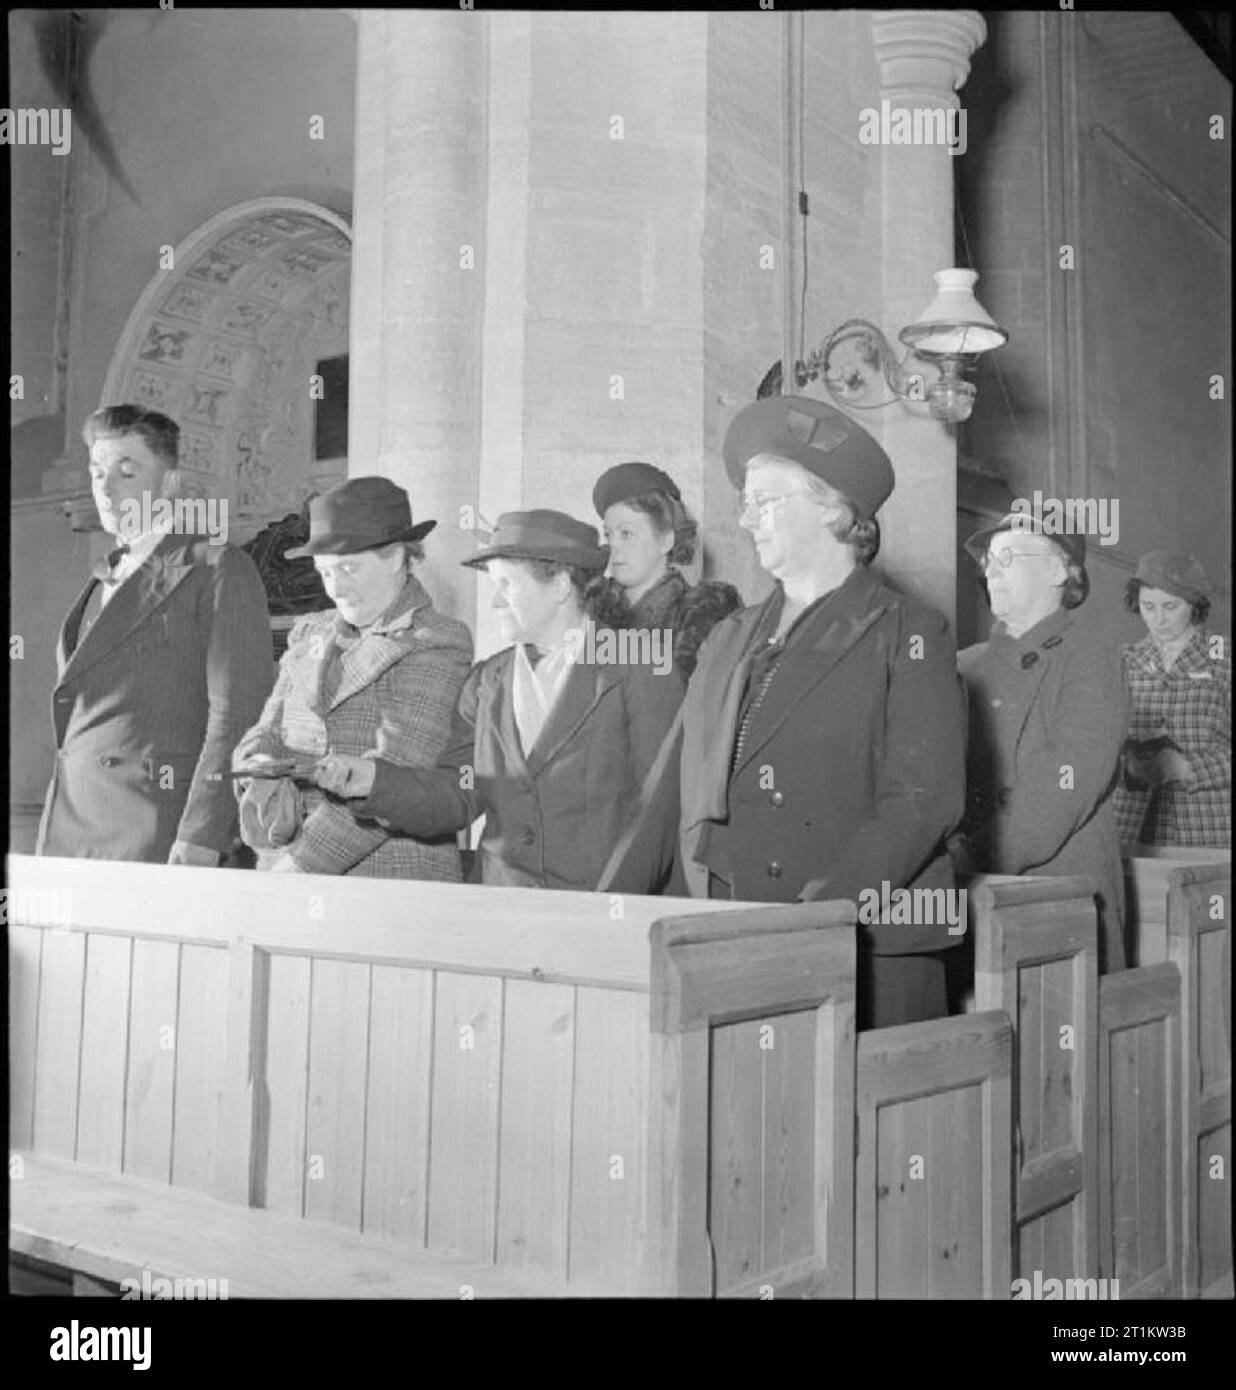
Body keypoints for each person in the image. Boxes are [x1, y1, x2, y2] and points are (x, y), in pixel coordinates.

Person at [600, 396, 968, 1030]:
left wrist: (816, 920)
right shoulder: (730, 636)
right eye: (746, 502)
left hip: (861, 948)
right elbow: (667, 795)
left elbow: (922, 800)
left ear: (832, 507)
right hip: (733, 934)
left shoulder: (907, 630)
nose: (746, 520)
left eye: (765, 501)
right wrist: (604, 916)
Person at [312, 510, 685, 891]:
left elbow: (658, 808)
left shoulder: (640, 660)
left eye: (507, 585)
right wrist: (374, 782)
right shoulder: (488, 681)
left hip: (602, 910)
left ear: (559, 585)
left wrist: (613, 910)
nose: (495, 603)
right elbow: (462, 786)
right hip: (503, 912)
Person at [37, 404, 274, 864]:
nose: (105, 488)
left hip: (156, 831)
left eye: (127, 472)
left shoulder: (215, 566)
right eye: (96, 472)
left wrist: (204, 831)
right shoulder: (100, 577)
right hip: (70, 827)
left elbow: (239, 711)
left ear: (168, 483)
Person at [231, 477, 473, 879]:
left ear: (396, 557)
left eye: (348, 568)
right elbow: (264, 730)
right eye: (325, 572)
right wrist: (256, 762)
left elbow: (391, 779)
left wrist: (296, 868)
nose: (336, 588)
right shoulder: (311, 632)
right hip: (286, 867)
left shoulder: (436, 642)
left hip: (384, 884)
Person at [952, 513, 1128, 972]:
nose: (991, 569)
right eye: (989, 561)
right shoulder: (961, 665)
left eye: (1008, 556)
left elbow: (1066, 781)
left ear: (1058, 571)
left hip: (1056, 891)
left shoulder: (1091, 657)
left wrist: (970, 858)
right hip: (965, 893)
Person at [1113, 550, 1230, 848]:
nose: (1158, 619)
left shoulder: (1224, 658)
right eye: (1148, 606)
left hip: (1209, 830)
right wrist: (1126, 764)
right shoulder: (1124, 661)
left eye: (1170, 606)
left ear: (1195, 604)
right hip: (1131, 829)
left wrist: (1187, 768)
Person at [593, 461, 741, 678]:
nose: (612, 547)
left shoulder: (702, 614)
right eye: (608, 535)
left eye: (626, 534)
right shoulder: (593, 612)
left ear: (665, 540)